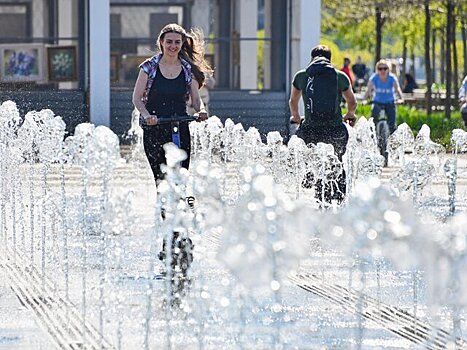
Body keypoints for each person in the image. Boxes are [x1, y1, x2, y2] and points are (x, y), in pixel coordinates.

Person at [132, 23, 211, 184]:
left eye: (177, 42)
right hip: (154, 127)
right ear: (161, 42)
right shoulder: (149, 66)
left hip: (179, 126)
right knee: (161, 179)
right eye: (169, 42)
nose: (173, 46)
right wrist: (147, 116)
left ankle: (187, 207)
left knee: (181, 177)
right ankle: (163, 210)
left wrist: (201, 111)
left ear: (182, 43)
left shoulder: (187, 68)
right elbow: (137, 98)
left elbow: (196, 99)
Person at [289, 44, 357, 205]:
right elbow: (352, 102)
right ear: (330, 59)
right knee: (338, 160)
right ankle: (340, 199)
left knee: (311, 155)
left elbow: (293, 101)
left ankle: (311, 176)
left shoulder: (301, 76)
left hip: (311, 130)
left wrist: (296, 117)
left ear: (312, 58)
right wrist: (350, 114)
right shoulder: (339, 76)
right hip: (335, 130)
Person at [363, 59, 404, 135]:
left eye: (385, 68)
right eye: (380, 69)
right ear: (377, 70)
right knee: (372, 122)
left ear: (388, 69)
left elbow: (397, 89)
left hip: (390, 102)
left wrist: (401, 99)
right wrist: (364, 100)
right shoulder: (374, 78)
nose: (383, 71)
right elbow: (368, 90)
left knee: (392, 125)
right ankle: (372, 137)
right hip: (377, 102)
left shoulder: (392, 78)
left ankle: (392, 141)